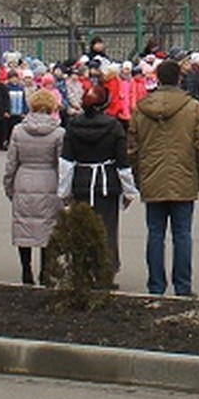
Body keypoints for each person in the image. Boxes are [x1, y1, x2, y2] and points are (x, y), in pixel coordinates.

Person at [128, 58, 199, 297]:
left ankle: (156, 286)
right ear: (179, 78)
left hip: (152, 175)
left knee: (155, 233)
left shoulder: (142, 108)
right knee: (182, 233)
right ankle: (182, 286)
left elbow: (132, 147)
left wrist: (138, 175)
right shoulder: (193, 107)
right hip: (184, 174)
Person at [62, 81, 130, 274]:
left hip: (81, 183)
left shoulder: (73, 125)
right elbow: (123, 162)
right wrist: (130, 190)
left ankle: (81, 269)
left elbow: (66, 162)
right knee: (107, 228)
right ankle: (105, 270)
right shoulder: (114, 126)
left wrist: (64, 191)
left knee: (82, 227)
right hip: (106, 184)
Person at [4, 86, 65, 286]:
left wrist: (8, 184)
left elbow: (11, 161)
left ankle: (26, 269)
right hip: (49, 179)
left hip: (24, 178)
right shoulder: (58, 133)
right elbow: (61, 163)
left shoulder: (18, 130)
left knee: (23, 226)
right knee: (47, 227)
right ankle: (45, 271)